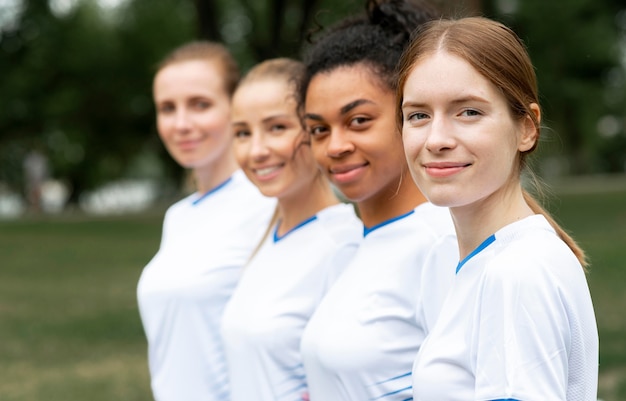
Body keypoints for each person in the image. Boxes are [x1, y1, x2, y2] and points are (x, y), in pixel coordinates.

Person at [397, 16, 599, 401]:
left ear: (526, 128)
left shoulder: (518, 272)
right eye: (418, 115)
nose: (436, 138)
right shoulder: (486, 259)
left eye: (468, 111)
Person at [297, 1, 458, 399]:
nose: (335, 146)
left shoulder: (442, 242)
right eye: (318, 129)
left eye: (359, 121)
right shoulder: (352, 245)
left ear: (409, 115)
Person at [136, 41, 275, 401]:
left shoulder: (267, 204)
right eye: (168, 108)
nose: (181, 124)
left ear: (236, 106)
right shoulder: (178, 217)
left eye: (200, 104)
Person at [221, 58, 362, 401]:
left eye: (277, 128)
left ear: (316, 131)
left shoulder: (345, 245)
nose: (256, 150)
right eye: (242, 133)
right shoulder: (264, 239)